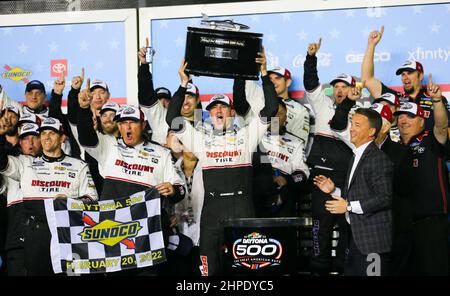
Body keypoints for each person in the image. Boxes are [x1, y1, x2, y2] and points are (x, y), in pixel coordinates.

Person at [166, 52, 278, 276]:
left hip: (243, 206)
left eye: (223, 107)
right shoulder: (200, 139)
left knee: (247, 268)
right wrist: (183, 84)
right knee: (208, 267)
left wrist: (264, 74)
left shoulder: (247, 135)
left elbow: (271, 110)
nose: (218, 110)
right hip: (213, 210)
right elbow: (172, 119)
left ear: (232, 112)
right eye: (213, 108)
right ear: (208, 114)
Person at [0, 117, 98, 275]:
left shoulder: (79, 165)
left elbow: (92, 199)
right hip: (36, 235)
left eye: (52, 133)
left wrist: (70, 202)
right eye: (43, 133)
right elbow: (2, 163)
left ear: (62, 137)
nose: (46, 137)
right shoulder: (25, 163)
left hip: (68, 233)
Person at [304, 38, 362, 275]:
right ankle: (319, 268)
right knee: (321, 224)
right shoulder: (322, 103)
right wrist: (311, 58)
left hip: (347, 176)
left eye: (344, 86)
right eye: (336, 86)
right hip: (321, 175)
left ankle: (344, 267)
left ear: (352, 90)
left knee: (347, 223)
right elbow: (310, 82)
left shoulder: (360, 115)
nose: (339, 89)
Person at [314, 108, 393, 276]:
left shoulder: (378, 158)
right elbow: (358, 195)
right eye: (352, 124)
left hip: (373, 243)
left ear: (371, 131)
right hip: (356, 241)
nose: (351, 128)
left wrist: (348, 206)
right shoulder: (355, 156)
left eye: (357, 125)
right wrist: (334, 190)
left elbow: (384, 198)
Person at [395, 76, 449, 275]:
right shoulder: (395, 147)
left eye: (409, 116)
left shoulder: (431, 140)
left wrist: (436, 101)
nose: (403, 120)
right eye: (400, 116)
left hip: (431, 223)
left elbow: (442, 126)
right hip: (403, 226)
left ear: (421, 121)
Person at [361, 26, 450, 134]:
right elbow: (367, 79)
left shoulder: (436, 99)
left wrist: (437, 99)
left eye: (410, 73)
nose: (405, 77)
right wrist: (371, 45)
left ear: (421, 76)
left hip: (430, 149)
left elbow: (444, 127)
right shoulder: (395, 98)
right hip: (400, 149)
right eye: (403, 74)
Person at [137, 41, 201, 145]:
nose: (185, 101)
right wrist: (144, 66)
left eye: (190, 97)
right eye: (182, 97)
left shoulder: (204, 126)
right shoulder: (162, 118)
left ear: (197, 100)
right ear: (176, 100)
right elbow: (146, 96)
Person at [1, 123, 42, 275]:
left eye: (34, 137)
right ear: (19, 142)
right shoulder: (11, 163)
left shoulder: (57, 166)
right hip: (17, 242)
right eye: (25, 138)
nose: (30, 142)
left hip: (46, 242)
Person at [236, 64, 310, 146]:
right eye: (270, 78)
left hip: (281, 153)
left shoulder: (300, 110)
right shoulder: (259, 99)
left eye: (277, 78)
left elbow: (300, 143)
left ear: (288, 82)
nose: (273, 82)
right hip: (254, 151)